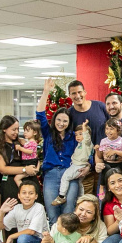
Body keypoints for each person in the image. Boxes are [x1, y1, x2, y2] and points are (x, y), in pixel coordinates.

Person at [36, 78, 85, 221]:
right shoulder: (48, 133)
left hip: (70, 175)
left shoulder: (74, 137)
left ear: (69, 123)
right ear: (54, 120)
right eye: (58, 120)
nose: (61, 123)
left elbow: (84, 152)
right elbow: (40, 114)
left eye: (65, 121)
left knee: (68, 214)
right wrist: (46, 92)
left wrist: (87, 166)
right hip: (51, 175)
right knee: (52, 215)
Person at [0, 115, 39, 205]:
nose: (16, 132)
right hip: (10, 183)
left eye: (18, 129)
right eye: (13, 130)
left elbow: (34, 155)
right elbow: (3, 169)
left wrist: (35, 167)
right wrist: (25, 169)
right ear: (4, 129)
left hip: (29, 180)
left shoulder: (22, 142)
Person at [13, 120, 42, 188]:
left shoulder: (33, 143)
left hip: (30, 162)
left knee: (17, 178)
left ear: (35, 132)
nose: (25, 133)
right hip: (26, 162)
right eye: (24, 130)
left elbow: (30, 151)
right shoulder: (28, 142)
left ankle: (22, 189)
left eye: (27, 131)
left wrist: (20, 148)